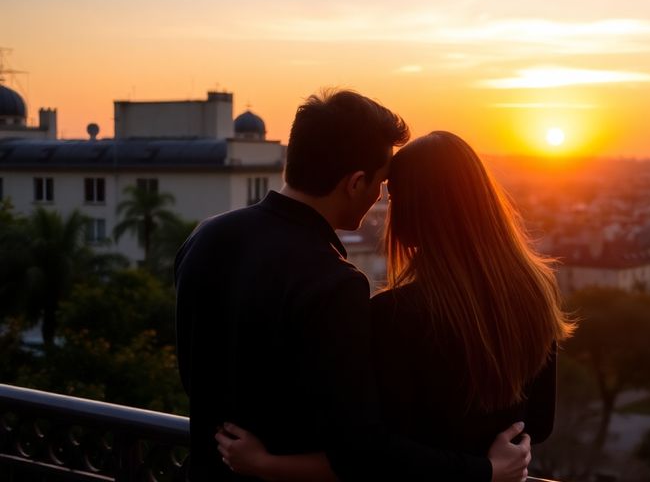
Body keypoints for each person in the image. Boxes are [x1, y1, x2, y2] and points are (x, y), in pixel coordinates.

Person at [176, 92, 530, 481]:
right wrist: (485, 471)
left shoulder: (206, 238)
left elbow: (193, 375)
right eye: (382, 184)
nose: (382, 198)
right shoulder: (333, 284)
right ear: (356, 182)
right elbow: (360, 450)